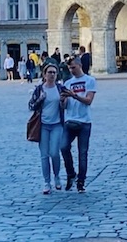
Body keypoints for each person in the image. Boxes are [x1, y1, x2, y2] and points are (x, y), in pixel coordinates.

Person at [29, 63, 68, 194]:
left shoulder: (60, 88)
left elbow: (65, 106)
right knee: (44, 155)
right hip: (43, 125)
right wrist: (40, 99)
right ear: (44, 75)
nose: (52, 74)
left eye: (54, 72)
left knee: (54, 153)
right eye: (49, 72)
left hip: (57, 124)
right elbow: (31, 106)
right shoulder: (39, 89)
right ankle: (47, 182)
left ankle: (57, 177)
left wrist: (63, 102)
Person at [60, 58, 96, 194]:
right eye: (69, 68)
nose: (71, 70)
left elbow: (88, 101)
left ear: (80, 65)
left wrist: (74, 95)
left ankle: (81, 181)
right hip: (69, 121)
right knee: (63, 147)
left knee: (83, 153)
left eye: (73, 67)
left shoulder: (90, 81)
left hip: (84, 122)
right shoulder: (67, 83)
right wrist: (63, 100)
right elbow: (64, 106)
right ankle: (71, 174)